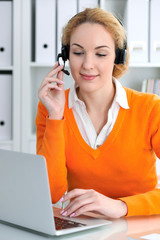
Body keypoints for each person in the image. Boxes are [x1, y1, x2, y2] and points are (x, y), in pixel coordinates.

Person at [36, 8, 160, 219]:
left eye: (101, 54)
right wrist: (56, 116)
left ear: (117, 57)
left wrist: (122, 206)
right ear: (65, 56)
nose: (87, 65)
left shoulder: (150, 109)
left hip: (140, 228)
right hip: (84, 230)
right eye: (77, 52)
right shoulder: (50, 108)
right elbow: (51, 193)